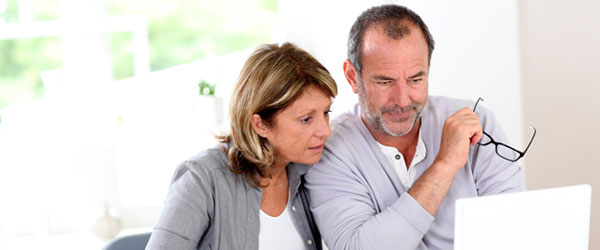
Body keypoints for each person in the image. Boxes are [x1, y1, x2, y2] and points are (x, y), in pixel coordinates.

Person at [304, 4, 525, 250]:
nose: (402, 99)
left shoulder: (476, 123)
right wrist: (444, 165)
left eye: (416, 79)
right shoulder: (328, 149)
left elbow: (513, 228)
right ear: (353, 77)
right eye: (385, 82)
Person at [146, 42, 337, 250]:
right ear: (261, 124)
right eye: (306, 119)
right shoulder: (202, 178)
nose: (326, 130)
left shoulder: (312, 173)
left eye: (326, 113)